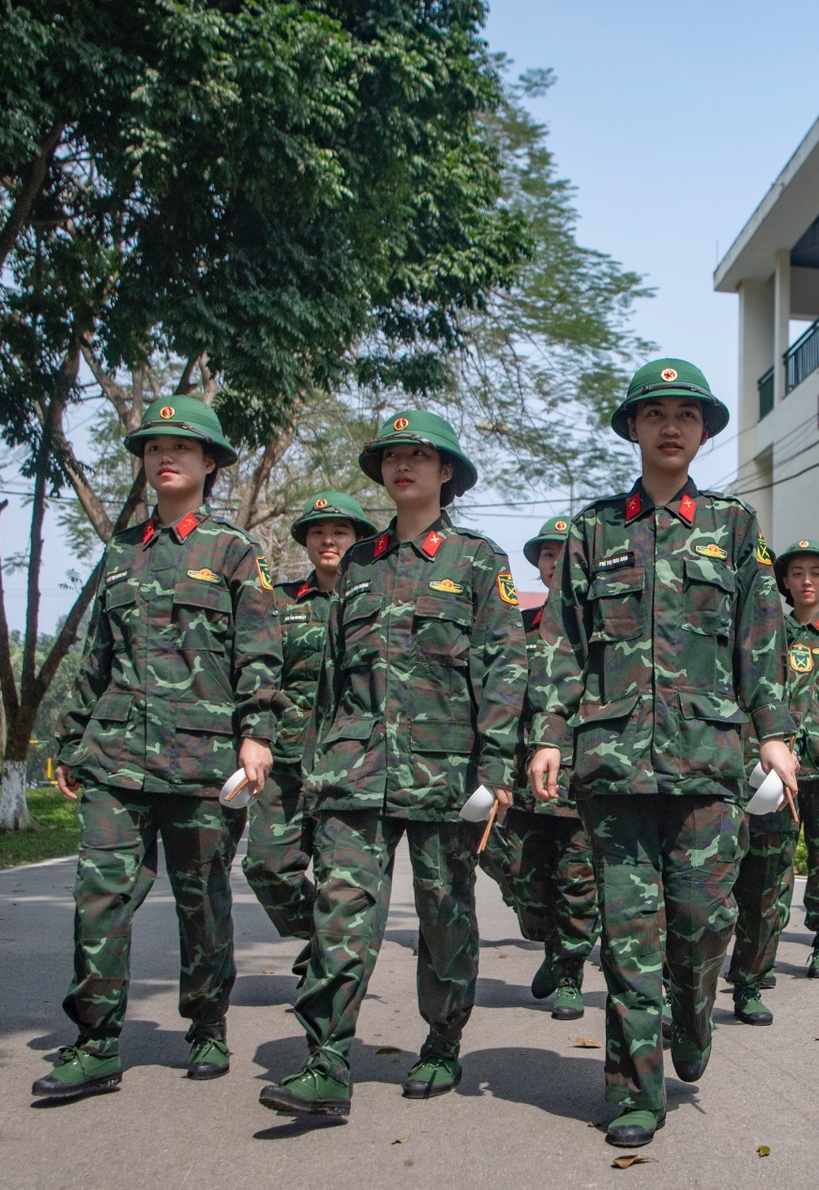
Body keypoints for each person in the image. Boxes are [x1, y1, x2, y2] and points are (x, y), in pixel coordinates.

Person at [528, 358, 798, 1149]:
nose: (671, 426)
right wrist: (548, 734)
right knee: (628, 936)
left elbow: (760, 637)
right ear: (635, 429)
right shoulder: (593, 530)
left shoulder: (732, 527)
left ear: (705, 431)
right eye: (655, 414)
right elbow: (562, 644)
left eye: (686, 415)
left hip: (708, 763)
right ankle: (636, 1090)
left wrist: (774, 733)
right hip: (612, 765)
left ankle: (694, 1011)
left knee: (702, 922)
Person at [258, 410, 525, 1119]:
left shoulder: (476, 560)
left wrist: (495, 771)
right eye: (392, 456)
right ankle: (326, 1059)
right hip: (353, 771)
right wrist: (316, 765)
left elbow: (504, 669)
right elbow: (331, 678)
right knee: (341, 912)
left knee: (444, 914)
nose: (403, 465)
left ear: (446, 473)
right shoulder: (358, 563)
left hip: (445, 776)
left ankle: (441, 1042)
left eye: (420, 455)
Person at [34, 396, 282, 1101]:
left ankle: (206, 1023)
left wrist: (257, 733)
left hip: (203, 762)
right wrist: (69, 736)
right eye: (151, 448)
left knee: (201, 901)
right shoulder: (119, 555)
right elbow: (96, 656)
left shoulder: (236, 553)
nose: (163, 456)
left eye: (180, 446)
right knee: (99, 896)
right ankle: (96, 1040)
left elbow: (260, 653)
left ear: (209, 463)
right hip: (115, 757)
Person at [731, 539, 819, 1016]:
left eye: (815, 572)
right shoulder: (766, 629)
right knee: (768, 871)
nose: (806, 580)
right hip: (776, 770)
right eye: (797, 572)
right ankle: (757, 964)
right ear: (785, 581)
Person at [238, 491, 375, 975]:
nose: (328, 540)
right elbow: (260, 671)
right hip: (289, 757)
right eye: (317, 532)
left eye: (339, 531)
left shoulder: (375, 600)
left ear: (359, 540)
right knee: (265, 865)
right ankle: (317, 931)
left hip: (353, 760)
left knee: (342, 872)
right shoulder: (279, 601)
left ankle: (332, 954)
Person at [500, 516, 599, 1021]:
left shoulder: (597, 628)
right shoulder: (519, 630)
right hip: (524, 776)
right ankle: (549, 942)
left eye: (564, 553)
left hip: (580, 775)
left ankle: (569, 972)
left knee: (576, 881)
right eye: (546, 555)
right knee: (520, 874)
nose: (555, 563)